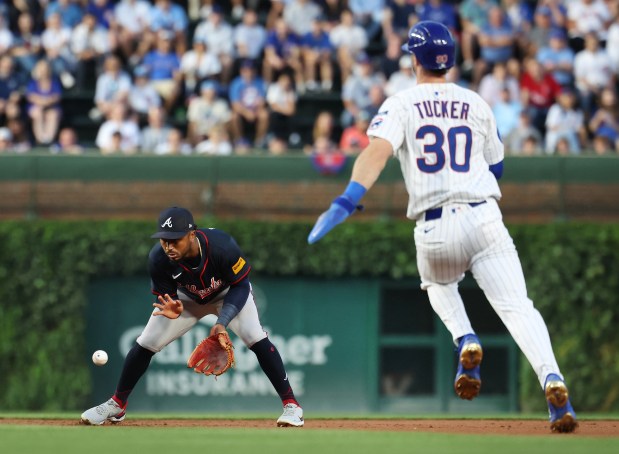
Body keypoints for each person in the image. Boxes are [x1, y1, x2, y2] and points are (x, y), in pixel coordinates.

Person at [307, 21, 577, 433]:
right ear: (449, 59)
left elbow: (376, 152)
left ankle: (465, 338)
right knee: (519, 309)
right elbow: (498, 166)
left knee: (438, 284)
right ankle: (554, 383)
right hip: (485, 216)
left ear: (414, 59)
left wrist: (348, 197)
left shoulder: (401, 103)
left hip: (434, 225)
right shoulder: (477, 103)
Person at [80, 206, 304, 427]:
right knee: (146, 342)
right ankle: (117, 404)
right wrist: (174, 307)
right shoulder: (158, 259)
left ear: (191, 234)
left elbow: (241, 286)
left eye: (175, 240)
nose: (168, 246)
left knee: (256, 337)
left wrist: (221, 322)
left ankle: (292, 406)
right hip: (186, 300)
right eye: (163, 240)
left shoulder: (221, 246)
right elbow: (166, 296)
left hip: (228, 294)